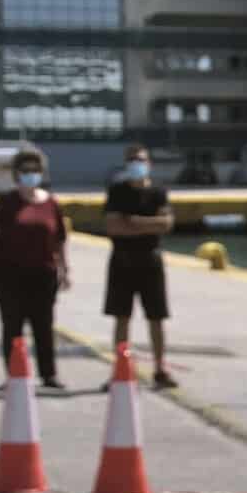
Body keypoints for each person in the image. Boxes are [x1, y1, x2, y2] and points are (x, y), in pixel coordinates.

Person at [0, 148, 70, 390]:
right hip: (8, 276)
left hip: (43, 275)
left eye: (35, 170)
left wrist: (65, 270)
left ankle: (48, 374)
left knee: (44, 325)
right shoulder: (5, 204)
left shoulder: (52, 204)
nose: (30, 175)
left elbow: (60, 240)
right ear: (16, 174)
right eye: (25, 171)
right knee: (12, 326)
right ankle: (14, 374)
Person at [102, 144, 177, 389]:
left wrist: (132, 222)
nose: (137, 164)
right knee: (121, 317)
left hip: (151, 260)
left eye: (141, 160)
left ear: (149, 164)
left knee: (157, 317)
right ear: (126, 165)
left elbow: (166, 224)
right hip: (122, 260)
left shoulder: (158, 192)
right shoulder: (117, 191)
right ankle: (120, 369)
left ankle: (160, 368)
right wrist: (149, 224)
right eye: (133, 160)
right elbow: (112, 227)